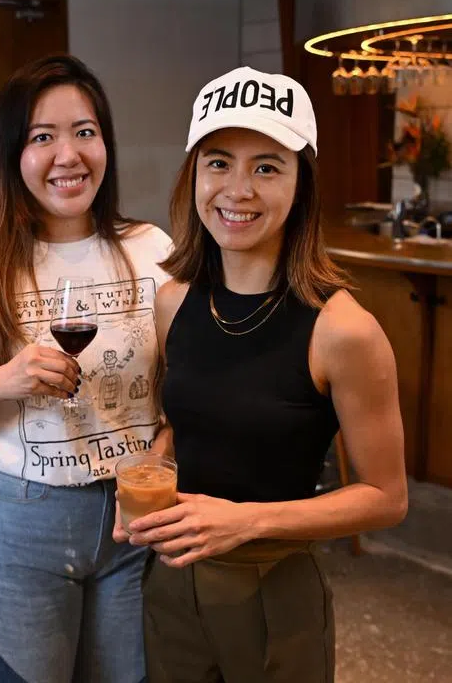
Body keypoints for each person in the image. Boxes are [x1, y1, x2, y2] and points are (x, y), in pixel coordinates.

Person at [115, 67, 408, 682]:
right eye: (218, 162)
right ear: (194, 174)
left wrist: (248, 520)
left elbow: (387, 498)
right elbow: (184, 421)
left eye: (267, 167)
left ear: (302, 184)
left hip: (274, 586)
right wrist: (150, 476)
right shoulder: (173, 300)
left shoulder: (343, 331)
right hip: (170, 581)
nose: (238, 190)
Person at [0, 55, 172, 682]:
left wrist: (165, 449)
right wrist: (3, 380)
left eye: (84, 131)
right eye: (42, 137)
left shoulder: (153, 249)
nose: (68, 154)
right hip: (21, 523)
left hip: (132, 520)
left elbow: (184, 384)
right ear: (12, 154)